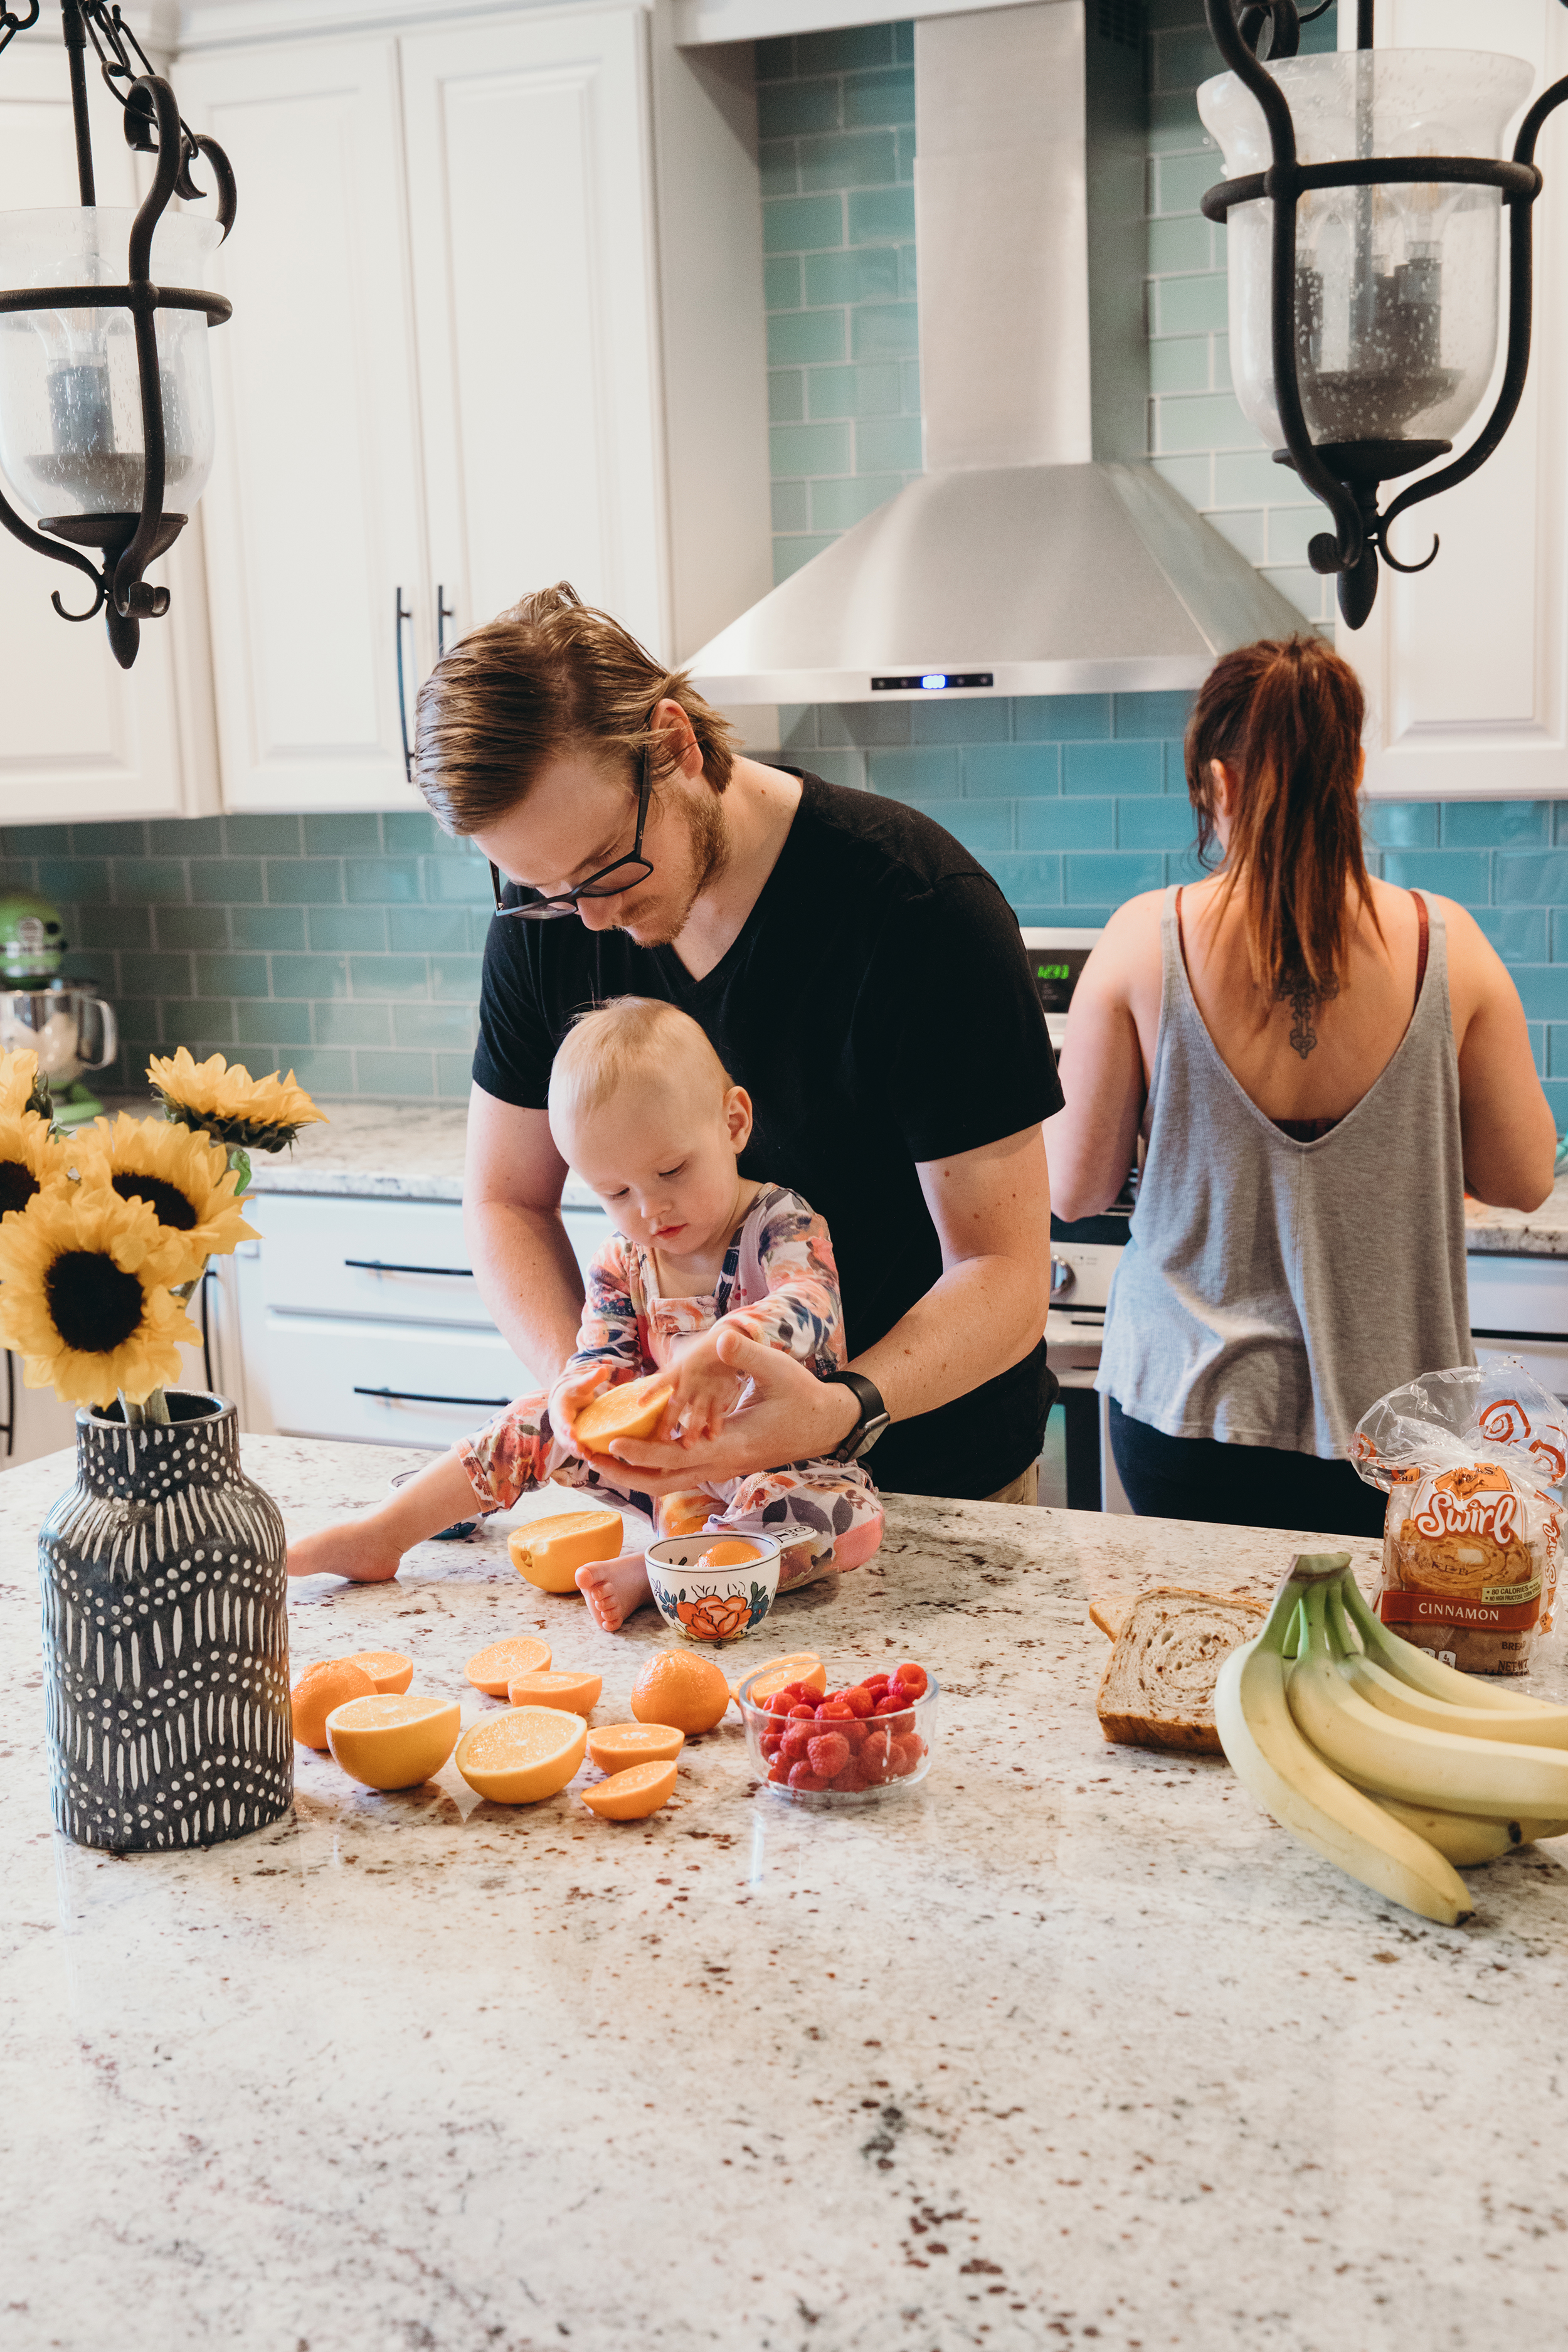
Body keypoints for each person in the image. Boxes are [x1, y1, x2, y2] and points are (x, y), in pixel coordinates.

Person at [408, 582, 1060, 1516]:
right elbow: (505, 1198)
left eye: (603, 867)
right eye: (543, 888)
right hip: (685, 1509)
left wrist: (839, 1409)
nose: (589, 918)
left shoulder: (916, 910)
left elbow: (1004, 1275)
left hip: (938, 1495)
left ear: (673, 744)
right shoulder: (546, 924)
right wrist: (592, 1393)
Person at [1045, 634, 1557, 1537]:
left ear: (1216, 781)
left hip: (1190, 1413)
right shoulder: (1454, 946)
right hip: (1395, 1432)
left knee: (1212, 1661)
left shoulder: (1139, 941)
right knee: (1367, 1670)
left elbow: (1076, 1186)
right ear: (1356, 767)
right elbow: (1523, 1178)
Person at [288, 999, 884, 1624]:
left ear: (734, 1123)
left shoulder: (781, 1222)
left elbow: (809, 1305)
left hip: (783, 1467)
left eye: (671, 1170)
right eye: (616, 1192)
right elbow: (598, 1354)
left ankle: (658, 1575)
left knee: (847, 1520)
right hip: (668, 1475)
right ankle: (384, 1533)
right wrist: (576, 1399)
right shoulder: (623, 1260)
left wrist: (726, 1346)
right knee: (531, 1416)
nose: (651, 1209)